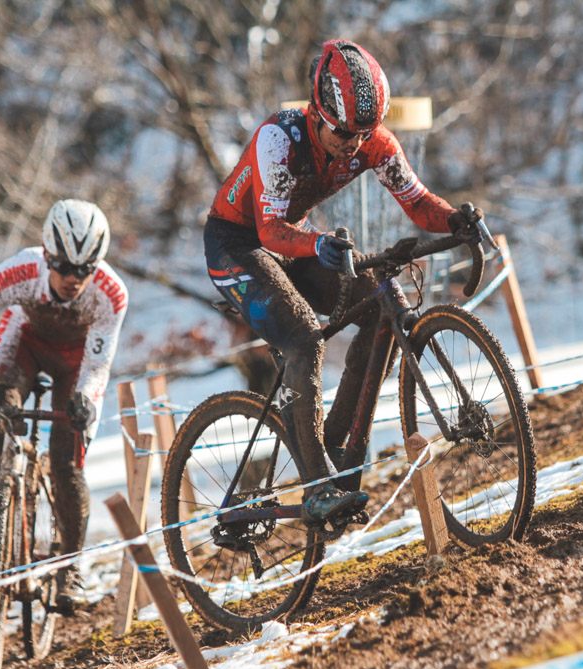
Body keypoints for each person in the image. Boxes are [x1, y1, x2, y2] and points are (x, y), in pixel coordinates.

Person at [204, 39, 484, 526]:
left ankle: (336, 446)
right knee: (303, 337)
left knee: (379, 300)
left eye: (363, 133)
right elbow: (268, 231)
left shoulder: (372, 140)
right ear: (316, 112)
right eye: (342, 133)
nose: (352, 143)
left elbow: (416, 201)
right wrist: (316, 245)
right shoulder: (278, 138)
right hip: (237, 245)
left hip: (291, 241)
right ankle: (316, 487)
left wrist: (455, 219)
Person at [0, 199, 128, 614]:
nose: (73, 278)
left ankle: (69, 567)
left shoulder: (111, 294)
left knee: (67, 462)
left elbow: (98, 364)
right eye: (63, 266)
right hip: (24, 347)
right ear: (46, 254)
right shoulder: (15, 273)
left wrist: (85, 403)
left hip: (77, 361)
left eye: (84, 269)